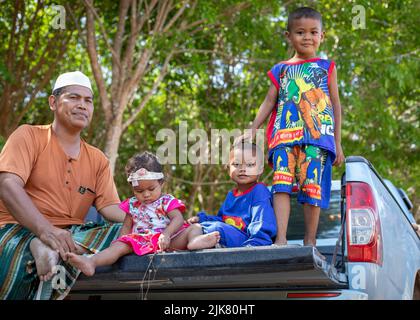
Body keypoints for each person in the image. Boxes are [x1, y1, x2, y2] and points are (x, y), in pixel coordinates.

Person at [0, 71, 125, 299]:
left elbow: (111, 209)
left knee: (125, 232)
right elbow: (8, 185)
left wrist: (155, 213)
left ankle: (51, 249)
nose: (82, 105)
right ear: (53, 102)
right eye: (73, 98)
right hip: (17, 228)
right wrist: (45, 231)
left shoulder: (98, 159)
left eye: (88, 101)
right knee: (17, 243)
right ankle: (36, 245)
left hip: (70, 237)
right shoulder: (28, 136)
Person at [236, 7, 345, 247]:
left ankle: (310, 241)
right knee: (281, 185)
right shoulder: (281, 69)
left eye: (313, 32)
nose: (307, 37)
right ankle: (281, 239)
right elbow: (269, 101)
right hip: (284, 137)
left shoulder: (327, 68)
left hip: (318, 139)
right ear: (289, 36)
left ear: (322, 36)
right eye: (300, 32)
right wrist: (253, 128)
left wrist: (337, 142)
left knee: (312, 188)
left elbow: (336, 105)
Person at [66, 151, 220, 276]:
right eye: (139, 191)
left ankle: (195, 241)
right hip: (140, 241)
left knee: (194, 227)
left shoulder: (166, 201)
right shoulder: (132, 205)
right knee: (116, 247)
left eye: (151, 189)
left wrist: (166, 234)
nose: (145, 194)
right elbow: (126, 226)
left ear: (161, 183)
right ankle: (91, 262)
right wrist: (120, 244)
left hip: (167, 240)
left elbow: (178, 219)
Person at [186, 141, 277, 248]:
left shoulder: (259, 191)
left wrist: (255, 245)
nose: (243, 169)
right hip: (227, 235)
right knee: (196, 227)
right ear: (228, 168)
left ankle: (209, 242)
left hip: (248, 242)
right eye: (236, 164)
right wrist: (203, 219)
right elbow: (223, 219)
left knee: (217, 228)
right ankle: (195, 243)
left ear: (260, 169)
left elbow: (262, 221)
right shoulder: (231, 196)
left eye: (250, 164)